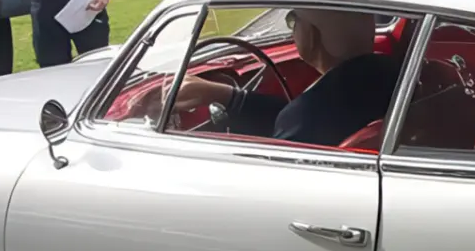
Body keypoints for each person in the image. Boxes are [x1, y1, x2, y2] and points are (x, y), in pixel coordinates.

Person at [169, 8, 398, 147]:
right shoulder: (392, 74)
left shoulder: (311, 114)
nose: (293, 29)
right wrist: (227, 96)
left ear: (310, 35)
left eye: (293, 20)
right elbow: (296, 116)